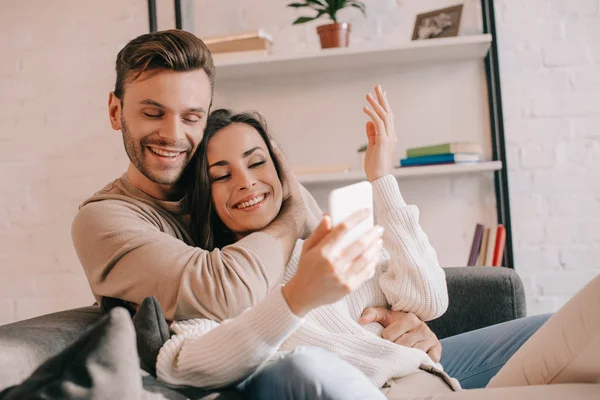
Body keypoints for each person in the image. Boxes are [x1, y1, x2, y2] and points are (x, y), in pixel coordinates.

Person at [72, 29, 550, 394]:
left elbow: (338, 272)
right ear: (116, 112)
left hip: (396, 364)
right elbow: (221, 292)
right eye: (152, 113)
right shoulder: (106, 218)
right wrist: (283, 204)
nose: (174, 134)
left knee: (564, 328)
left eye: (192, 116)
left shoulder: (242, 184)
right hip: (330, 377)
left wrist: (400, 320)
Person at [155, 89, 600, 399]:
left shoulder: (326, 245)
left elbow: (429, 298)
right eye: (222, 175)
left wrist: (381, 177)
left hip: (435, 377)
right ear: (203, 194)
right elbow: (180, 365)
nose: (247, 182)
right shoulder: (218, 280)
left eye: (257, 163)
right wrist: (293, 302)